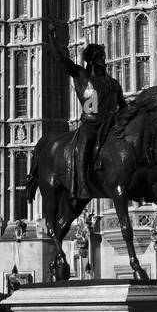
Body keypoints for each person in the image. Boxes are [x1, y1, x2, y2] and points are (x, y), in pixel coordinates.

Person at [48, 20, 126, 207]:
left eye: (104, 58)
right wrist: (51, 37)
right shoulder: (82, 76)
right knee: (85, 144)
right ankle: (82, 185)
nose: (104, 61)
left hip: (111, 124)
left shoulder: (113, 83)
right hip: (91, 123)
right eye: (100, 58)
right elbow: (62, 60)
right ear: (91, 61)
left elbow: (124, 107)